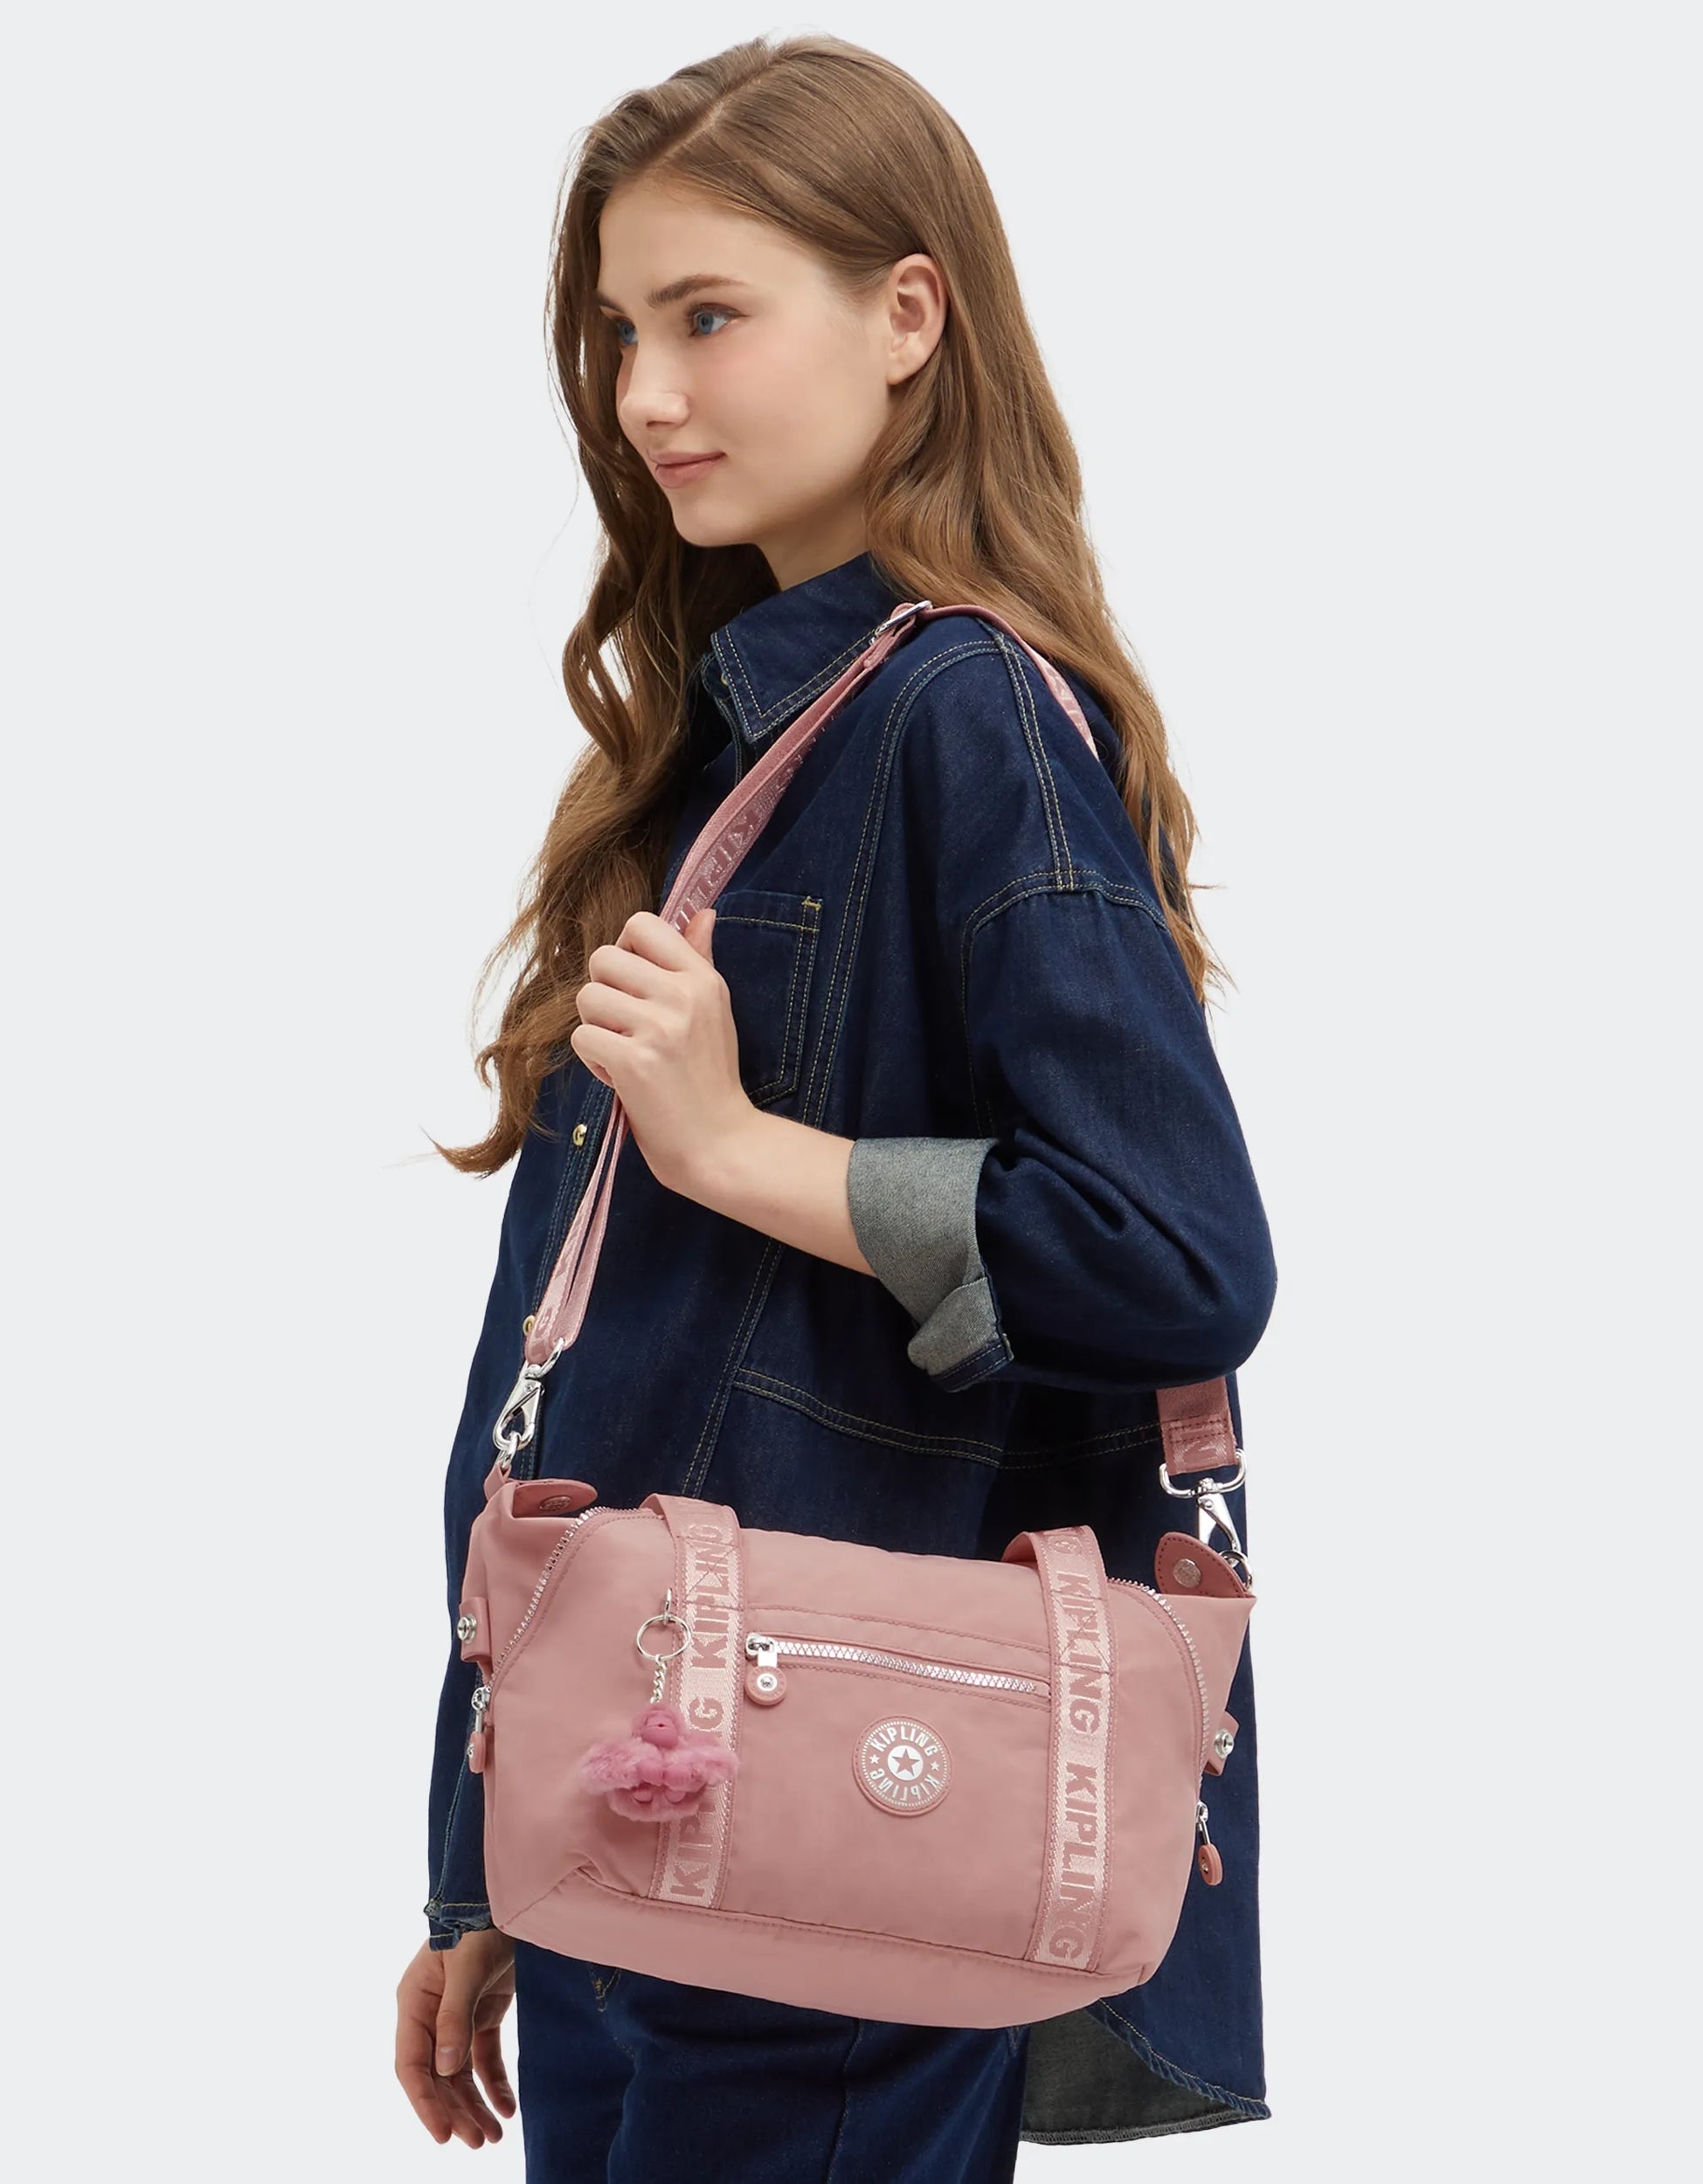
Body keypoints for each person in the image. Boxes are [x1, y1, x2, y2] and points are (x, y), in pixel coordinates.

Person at [392, 31, 1278, 2175]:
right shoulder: (733, 749)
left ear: (905, 313)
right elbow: (584, 1371)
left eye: (707, 315)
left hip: (839, 1827)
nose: (643, 393)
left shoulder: (964, 715)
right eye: (620, 329)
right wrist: (477, 1846)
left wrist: (738, 1151)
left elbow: (1179, 1259)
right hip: (636, 1796)